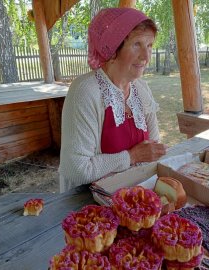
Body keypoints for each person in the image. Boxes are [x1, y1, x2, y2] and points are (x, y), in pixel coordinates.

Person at [59, 8, 167, 193]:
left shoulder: (141, 89)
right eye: (136, 45)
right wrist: (131, 157)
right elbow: (76, 170)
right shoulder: (85, 91)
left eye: (149, 45)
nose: (146, 57)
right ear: (112, 48)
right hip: (90, 205)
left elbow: (153, 149)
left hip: (136, 195)